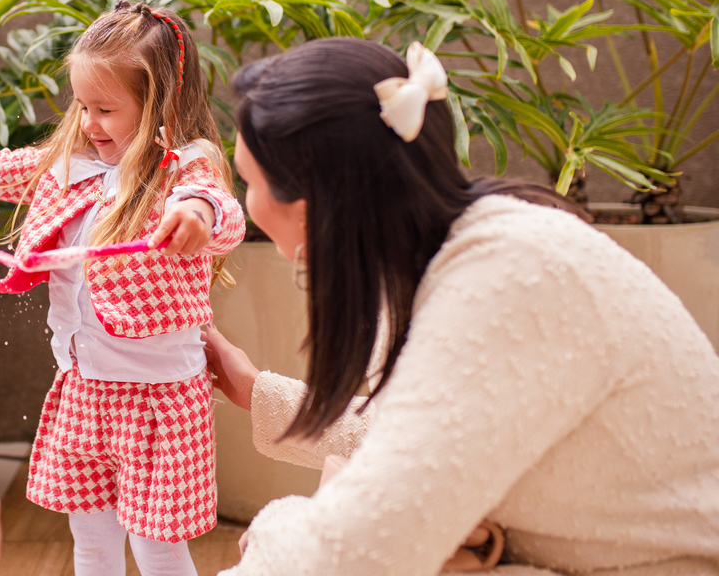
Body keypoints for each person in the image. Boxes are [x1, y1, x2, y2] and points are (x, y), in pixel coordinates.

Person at [204, 39, 719, 575]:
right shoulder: (445, 256)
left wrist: (275, 526)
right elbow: (420, 439)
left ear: (313, 205)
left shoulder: (504, 281)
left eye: (249, 181)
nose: (246, 204)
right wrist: (256, 391)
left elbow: (359, 550)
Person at [0, 0, 246, 576]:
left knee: (156, 548)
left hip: (159, 401)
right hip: (82, 387)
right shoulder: (72, 165)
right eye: (82, 105)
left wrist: (196, 214)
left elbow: (220, 207)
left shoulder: (183, 166)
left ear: (159, 104)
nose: (89, 123)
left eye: (106, 109)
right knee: (90, 542)